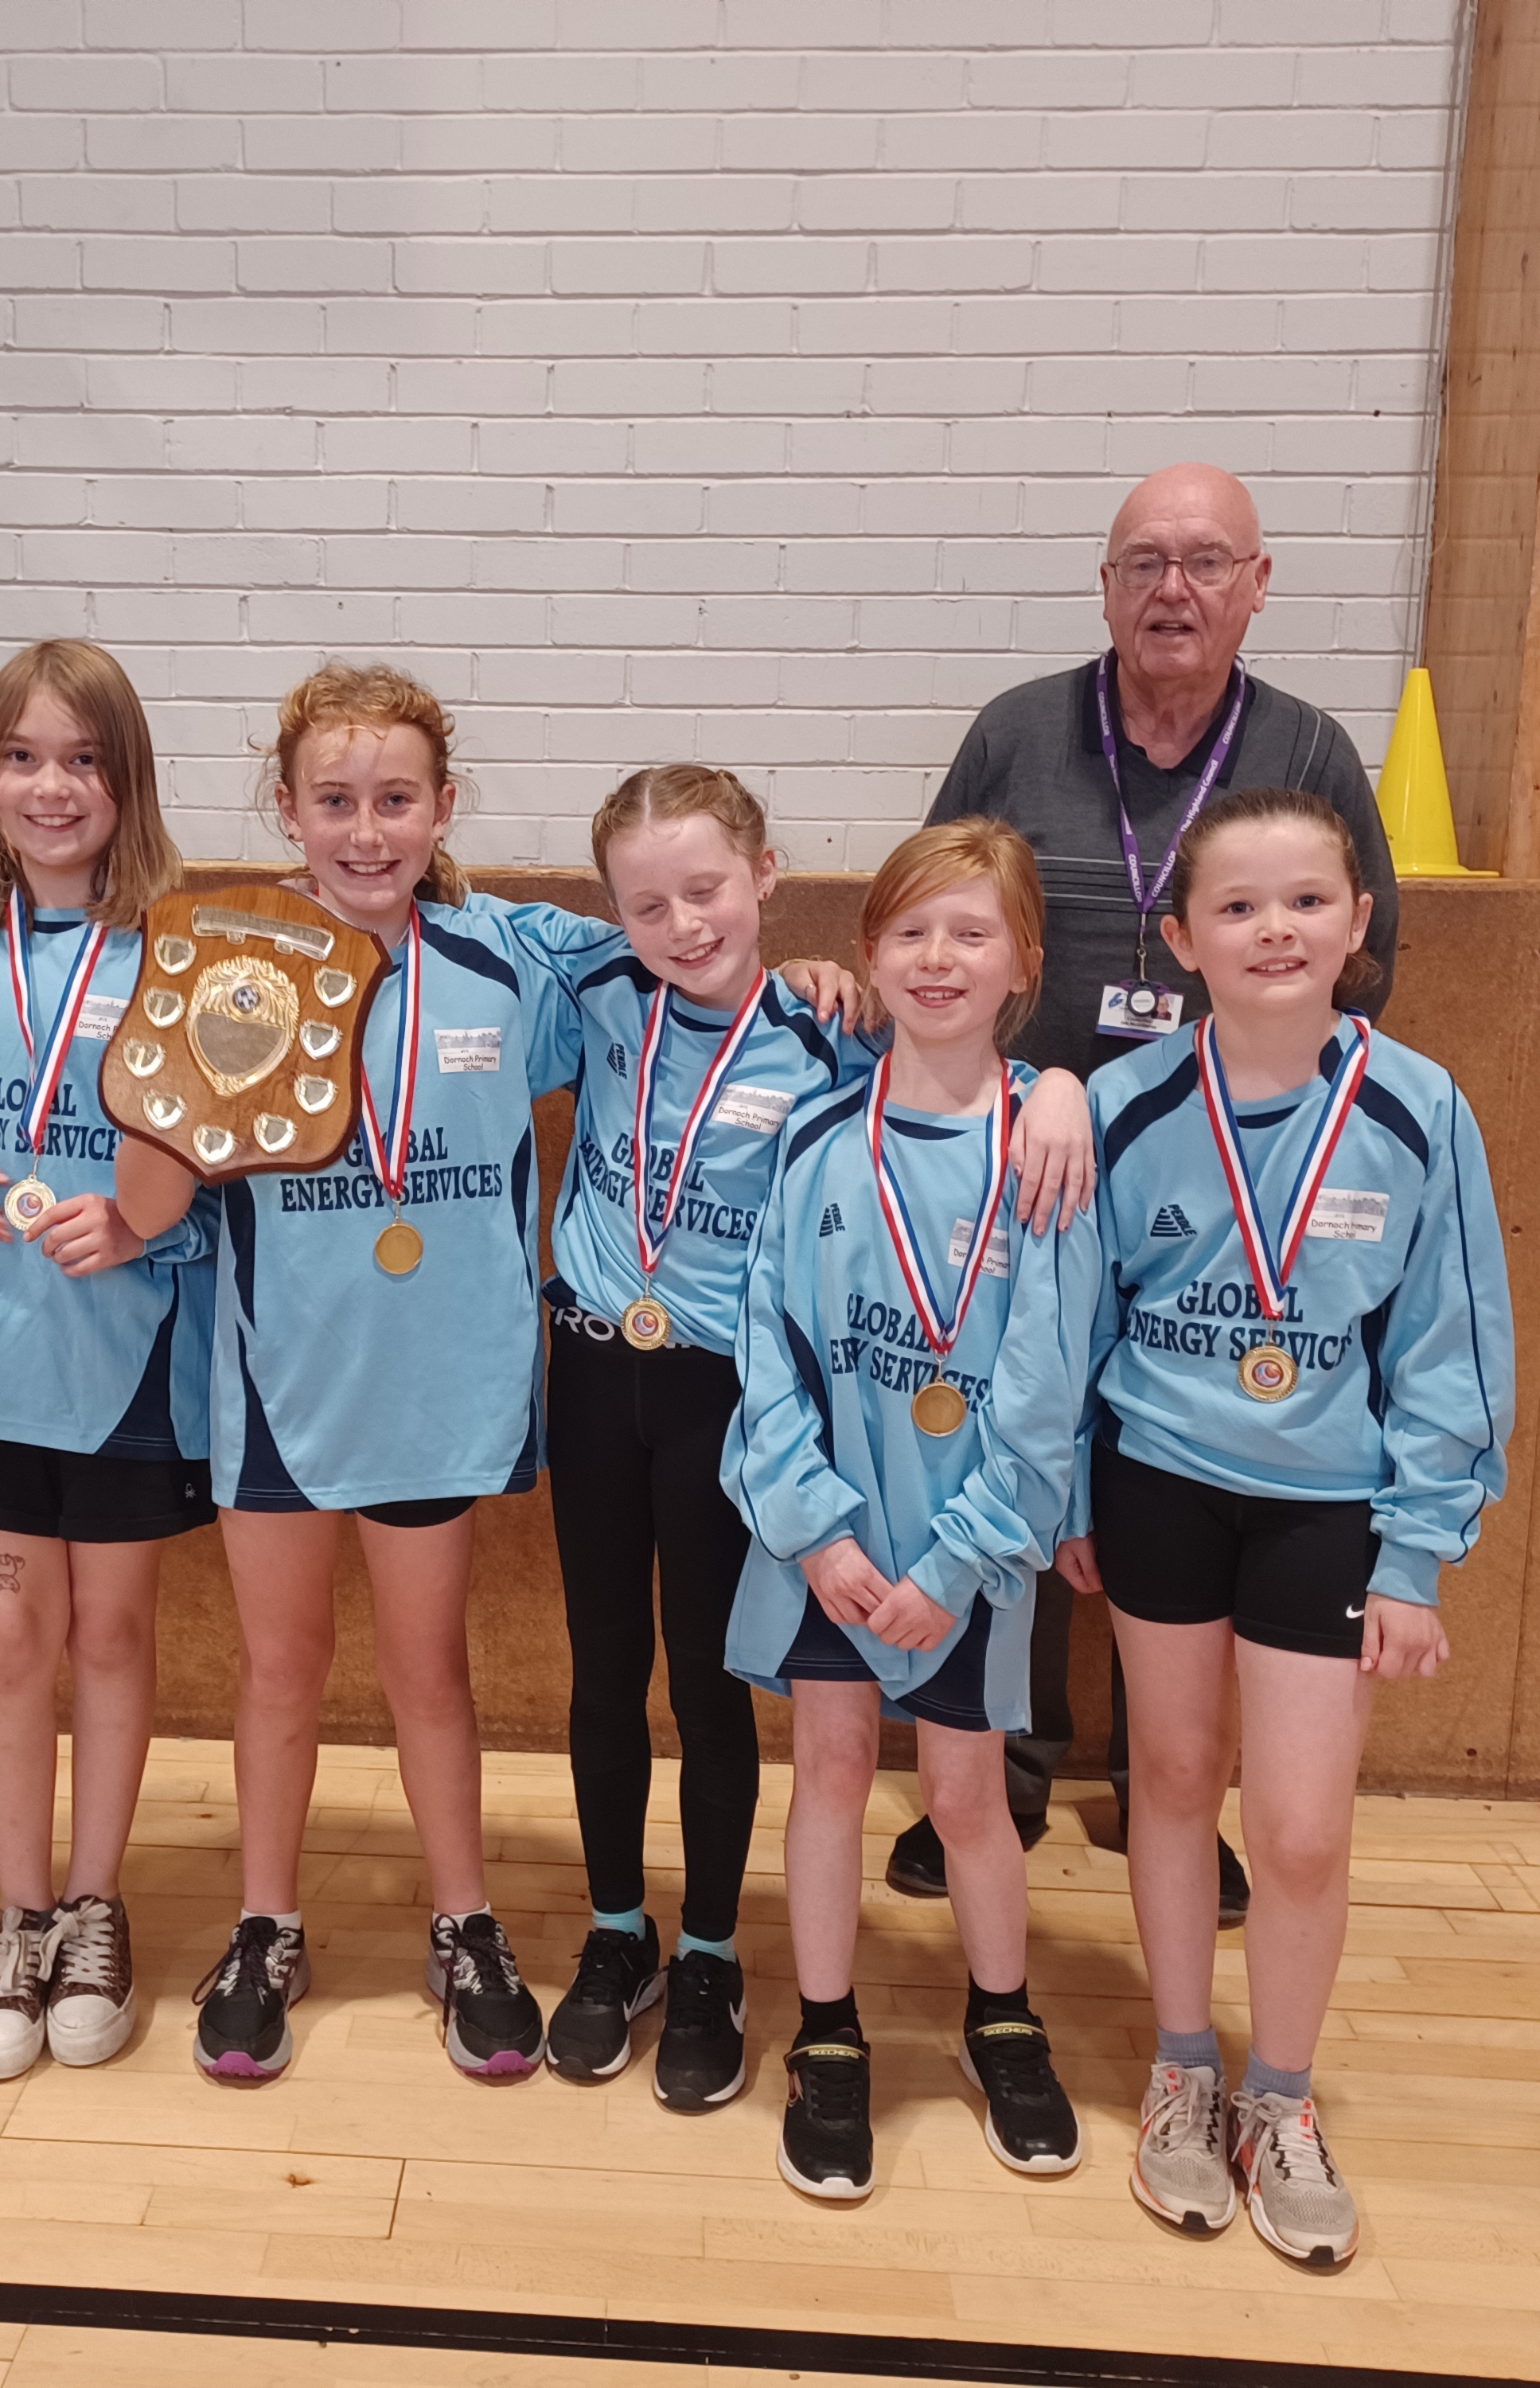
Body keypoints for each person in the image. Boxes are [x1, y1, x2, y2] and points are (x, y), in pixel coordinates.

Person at [527, 766, 1094, 2109]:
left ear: (768, 878)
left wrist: (1063, 1077)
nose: (680, 924)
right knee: (605, 1668)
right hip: (597, 1370)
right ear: (612, 913)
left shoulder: (826, 1036)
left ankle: (717, 1953)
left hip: (737, 1397)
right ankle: (620, 1933)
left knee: (718, 1684)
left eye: (707, 890)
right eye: (645, 903)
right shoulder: (597, 993)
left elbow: (953, 1071)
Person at [905, 462, 1404, 1912]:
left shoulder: (1307, 747)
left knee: (1170, 1470)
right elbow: (941, 905)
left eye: (1204, 563)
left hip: (1226, 1193)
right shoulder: (1017, 732)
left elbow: (1370, 969)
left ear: (1259, 583)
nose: (1171, 590)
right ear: (1106, 586)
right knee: (1014, 1454)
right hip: (1026, 1165)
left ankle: (1165, 1793)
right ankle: (989, 1771)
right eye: (1143, 563)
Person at [115, 664, 585, 2087]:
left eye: (396, 800)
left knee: (431, 1671)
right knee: (280, 1667)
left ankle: (466, 1923)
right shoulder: (226, 965)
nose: (367, 831)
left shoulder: (516, 968)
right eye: (335, 801)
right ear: (286, 809)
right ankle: (266, 1925)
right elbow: (146, 1207)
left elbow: (685, 975)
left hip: (441, 1384)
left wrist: (811, 974)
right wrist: (175, 1091)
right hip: (279, 1385)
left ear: (446, 808)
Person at [1070, 783, 1511, 2268]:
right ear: (1183, 937)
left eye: (1309, 901)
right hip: (1159, 1486)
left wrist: (1417, 1549)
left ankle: (1284, 2095)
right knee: (1175, 1779)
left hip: (1329, 1507)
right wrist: (1075, 1494)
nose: (1277, 928)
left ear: (1360, 925)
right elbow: (1070, 1327)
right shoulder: (1123, 1105)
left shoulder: (1418, 1107)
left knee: (1306, 1831)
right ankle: (1186, 2068)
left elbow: (1451, 1344)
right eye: (1240, 906)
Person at [720, 817, 1100, 2203]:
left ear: (1024, 967)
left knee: (964, 1796)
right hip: (830, 1547)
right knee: (824, 1775)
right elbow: (767, 1348)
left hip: (969, 1553)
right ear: (869, 952)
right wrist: (816, 1531)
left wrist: (957, 1559)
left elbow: (1049, 1384)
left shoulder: (1051, 1149)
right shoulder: (819, 1134)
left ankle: (1002, 2018)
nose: (938, 957)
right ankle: (827, 2031)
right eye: (911, 930)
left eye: (972, 932)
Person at [0, 639, 212, 2082]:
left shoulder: (187, 950)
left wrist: (146, 1229)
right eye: (22, 757)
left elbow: (229, 1163)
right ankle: (20, 1916)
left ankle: (96, 1907)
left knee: (115, 1637)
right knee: (12, 1633)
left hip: (128, 1361)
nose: (51, 786)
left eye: (83, 759)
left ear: (126, 779)